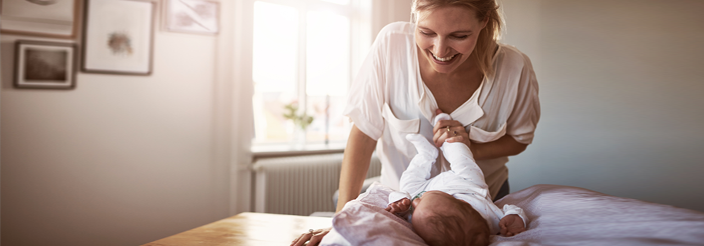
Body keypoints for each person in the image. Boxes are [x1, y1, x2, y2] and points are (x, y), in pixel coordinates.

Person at [292, 0, 539, 244]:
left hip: (482, 207)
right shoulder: (391, 45)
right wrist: (341, 221)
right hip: (399, 205)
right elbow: (364, 134)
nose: (440, 51)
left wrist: (472, 147)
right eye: (426, 32)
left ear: (484, 21)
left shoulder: (515, 69)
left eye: (459, 35)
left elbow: (519, 140)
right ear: (415, 16)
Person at [383, 113, 527, 246]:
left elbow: (404, 210)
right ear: (462, 202)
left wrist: (399, 204)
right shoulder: (492, 220)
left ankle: (426, 154)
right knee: (461, 158)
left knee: (406, 186)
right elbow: (511, 209)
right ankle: (447, 133)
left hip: (429, 187)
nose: (415, 201)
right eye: (420, 202)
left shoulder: (424, 222)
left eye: (415, 208)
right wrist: (515, 217)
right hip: (468, 185)